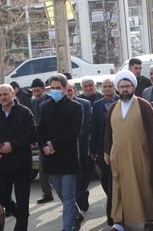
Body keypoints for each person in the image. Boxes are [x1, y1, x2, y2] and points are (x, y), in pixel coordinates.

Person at [104, 70, 153, 231]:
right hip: (118, 157)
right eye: (122, 86)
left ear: (133, 87)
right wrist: (106, 151)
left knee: (144, 187)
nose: (125, 89)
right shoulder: (113, 108)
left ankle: (148, 220)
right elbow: (108, 133)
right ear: (117, 88)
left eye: (128, 86)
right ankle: (119, 221)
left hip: (140, 156)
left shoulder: (143, 105)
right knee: (119, 189)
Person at [0, 84, 36, 231]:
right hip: (3, 165)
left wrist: (12, 145)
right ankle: (21, 215)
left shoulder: (25, 112)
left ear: (13, 94)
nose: (2, 97)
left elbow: (32, 134)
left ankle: (21, 224)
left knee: (22, 200)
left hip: (22, 164)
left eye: (5, 94)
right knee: (2, 196)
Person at [38, 74, 83, 231]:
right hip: (51, 158)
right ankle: (76, 214)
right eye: (53, 88)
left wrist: (52, 143)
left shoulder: (75, 107)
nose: (55, 91)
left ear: (65, 89)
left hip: (68, 158)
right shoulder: (44, 107)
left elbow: (73, 132)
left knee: (68, 196)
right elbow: (40, 130)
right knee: (61, 194)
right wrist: (43, 145)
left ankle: (67, 227)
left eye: (58, 88)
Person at [90, 78, 119, 226]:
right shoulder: (96, 106)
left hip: (120, 149)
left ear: (115, 88)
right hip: (103, 150)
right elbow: (94, 130)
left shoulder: (122, 102)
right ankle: (114, 203)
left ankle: (115, 215)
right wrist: (92, 150)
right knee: (105, 180)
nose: (107, 89)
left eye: (110, 86)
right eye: (105, 86)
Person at [66, 81, 92, 213]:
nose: (68, 93)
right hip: (64, 150)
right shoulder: (58, 106)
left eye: (70, 90)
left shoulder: (85, 104)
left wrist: (72, 139)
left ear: (74, 91)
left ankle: (82, 194)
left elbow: (87, 126)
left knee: (82, 175)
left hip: (81, 147)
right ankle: (75, 203)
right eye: (66, 90)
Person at [30, 78, 54, 204]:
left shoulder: (51, 100)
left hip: (53, 139)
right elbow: (35, 122)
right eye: (33, 91)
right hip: (41, 140)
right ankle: (47, 193)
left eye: (38, 91)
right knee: (42, 168)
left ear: (44, 89)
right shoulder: (33, 102)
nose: (36, 94)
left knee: (56, 170)